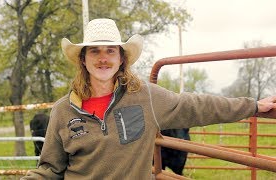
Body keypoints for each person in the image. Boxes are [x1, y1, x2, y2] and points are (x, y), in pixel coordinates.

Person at [21, 18, 276, 179]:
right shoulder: (63, 111)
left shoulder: (146, 98)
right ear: (83, 59)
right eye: (94, 51)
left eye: (110, 51)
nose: (103, 58)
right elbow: (49, 170)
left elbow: (198, 106)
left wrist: (253, 105)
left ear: (121, 58)